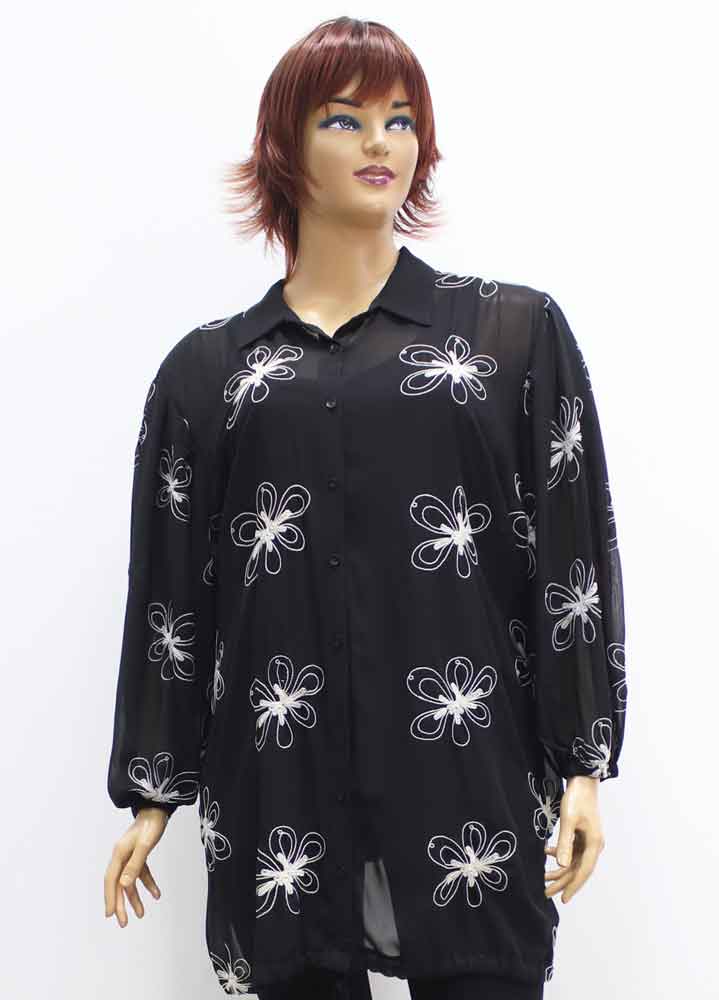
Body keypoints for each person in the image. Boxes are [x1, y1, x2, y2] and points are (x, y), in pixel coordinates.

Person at [104, 16, 627, 1000]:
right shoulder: (210, 373)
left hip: (466, 783)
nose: (381, 141)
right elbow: (172, 597)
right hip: (281, 794)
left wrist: (583, 764)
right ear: (285, 146)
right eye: (344, 119)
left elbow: (570, 563)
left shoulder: (509, 337)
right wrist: (151, 794)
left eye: (401, 119)